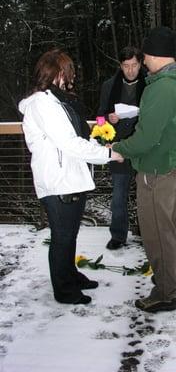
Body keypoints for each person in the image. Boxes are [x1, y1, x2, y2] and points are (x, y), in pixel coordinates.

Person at [18, 49, 123, 305]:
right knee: (62, 237)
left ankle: (70, 275)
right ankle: (64, 290)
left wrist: (100, 144)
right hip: (57, 181)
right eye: (67, 72)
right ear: (54, 73)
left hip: (71, 178)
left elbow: (77, 138)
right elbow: (69, 143)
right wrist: (109, 154)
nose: (70, 78)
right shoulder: (44, 104)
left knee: (69, 235)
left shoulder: (59, 101)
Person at [113, 27, 176, 312]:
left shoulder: (163, 86)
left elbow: (147, 136)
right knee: (169, 227)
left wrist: (119, 149)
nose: (143, 60)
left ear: (153, 54)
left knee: (157, 233)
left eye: (145, 55)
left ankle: (164, 293)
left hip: (156, 169)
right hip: (170, 165)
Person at [97, 46, 146, 250]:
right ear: (120, 65)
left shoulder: (151, 84)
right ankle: (118, 235)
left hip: (144, 146)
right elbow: (99, 118)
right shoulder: (109, 86)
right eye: (126, 66)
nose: (131, 70)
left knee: (146, 195)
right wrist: (108, 120)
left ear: (141, 64)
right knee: (118, 195)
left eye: (134, 65)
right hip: (118, 149)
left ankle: (147, 234)